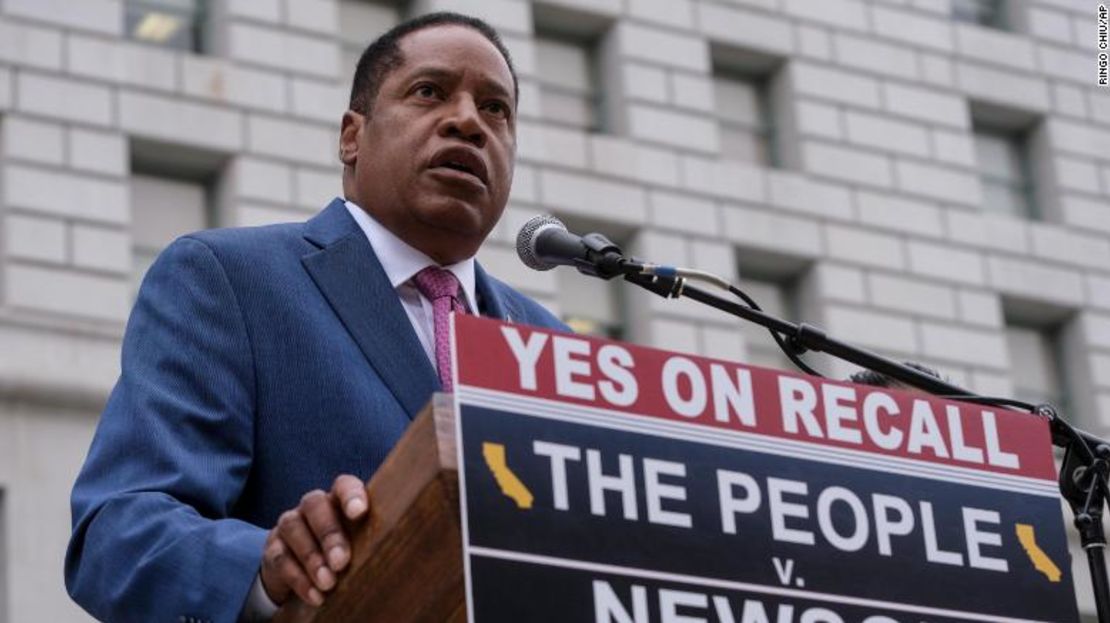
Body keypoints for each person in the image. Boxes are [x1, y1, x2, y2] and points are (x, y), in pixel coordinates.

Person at [65, 12, 566, 622]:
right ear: (352, 136)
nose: (468, 121)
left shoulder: (551, 346)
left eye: (496, 109)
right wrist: (269, 567)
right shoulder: (229, 279)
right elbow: (119, 532)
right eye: (430, 91)